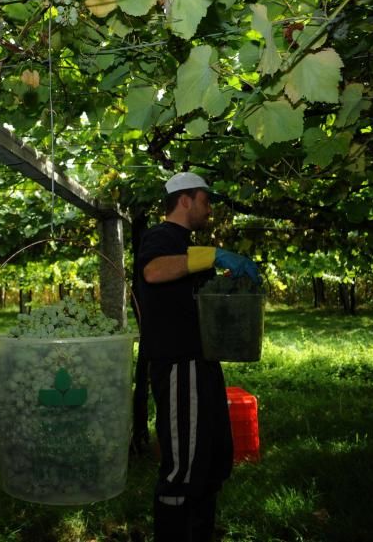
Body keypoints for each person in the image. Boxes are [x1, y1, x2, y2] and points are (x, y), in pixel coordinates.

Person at [136, 171, 259, 542]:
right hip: (178, 365)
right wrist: (215, 256)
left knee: (212, 457)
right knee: (183, 466)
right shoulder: (161, 237)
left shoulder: (186, 243)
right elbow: (153, 271)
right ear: (185, 199)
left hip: (201, 363)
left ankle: (201, 533)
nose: (210, 209)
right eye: (206, 200)